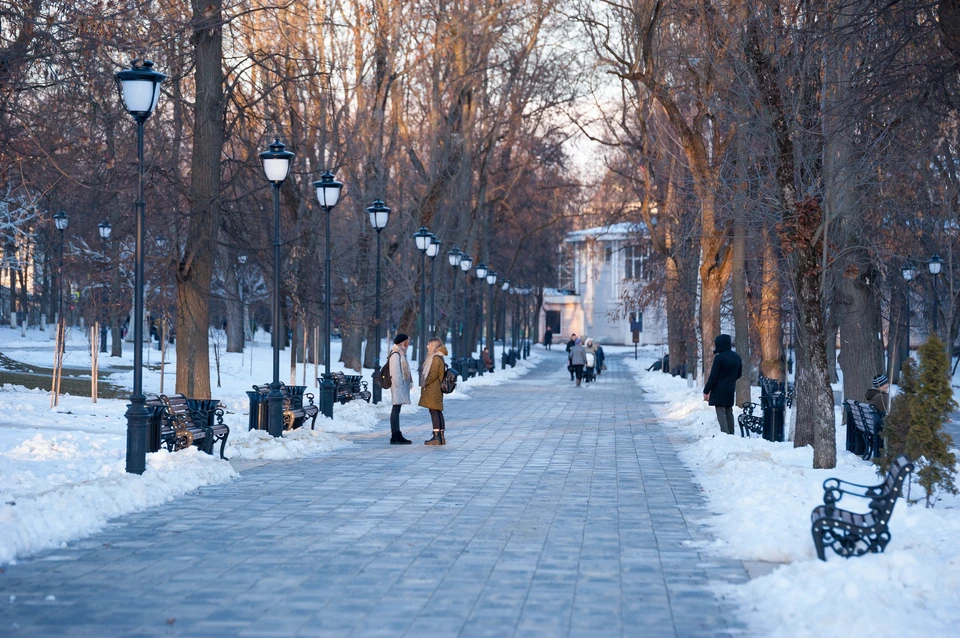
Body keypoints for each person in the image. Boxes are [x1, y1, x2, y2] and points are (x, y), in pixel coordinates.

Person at [702, 334, 743, 435]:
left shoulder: (719, 358)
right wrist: (730, 379)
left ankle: (725, 434)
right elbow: (739, 374)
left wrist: (706, 390)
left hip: (719, 389)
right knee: (729, 410)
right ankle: (731, 433)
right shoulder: (737, 357)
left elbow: (713, 376)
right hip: (730, 388)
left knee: (721, 412)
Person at [419, 337, 448, 445]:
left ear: (434, 346)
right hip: (435, 388)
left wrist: (424, 382)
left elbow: (433, 374)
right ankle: (440, 437)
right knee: (437, 411)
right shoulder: (438, 357)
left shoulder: (435, 358)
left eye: (429, 345)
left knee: (434, 411)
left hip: (433, 389)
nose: (427, 347)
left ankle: (437, 437)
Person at [388, 334, 413, 444]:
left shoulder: (401, 354)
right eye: (407, 342)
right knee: (395, 409)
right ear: (401, 342)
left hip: (401, 385)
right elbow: (395, 372)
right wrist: (399, 386)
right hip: (398, 386)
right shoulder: (396, 355)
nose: (408, 345)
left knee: (396, 409)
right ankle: (396, 435)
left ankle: (396, 435)